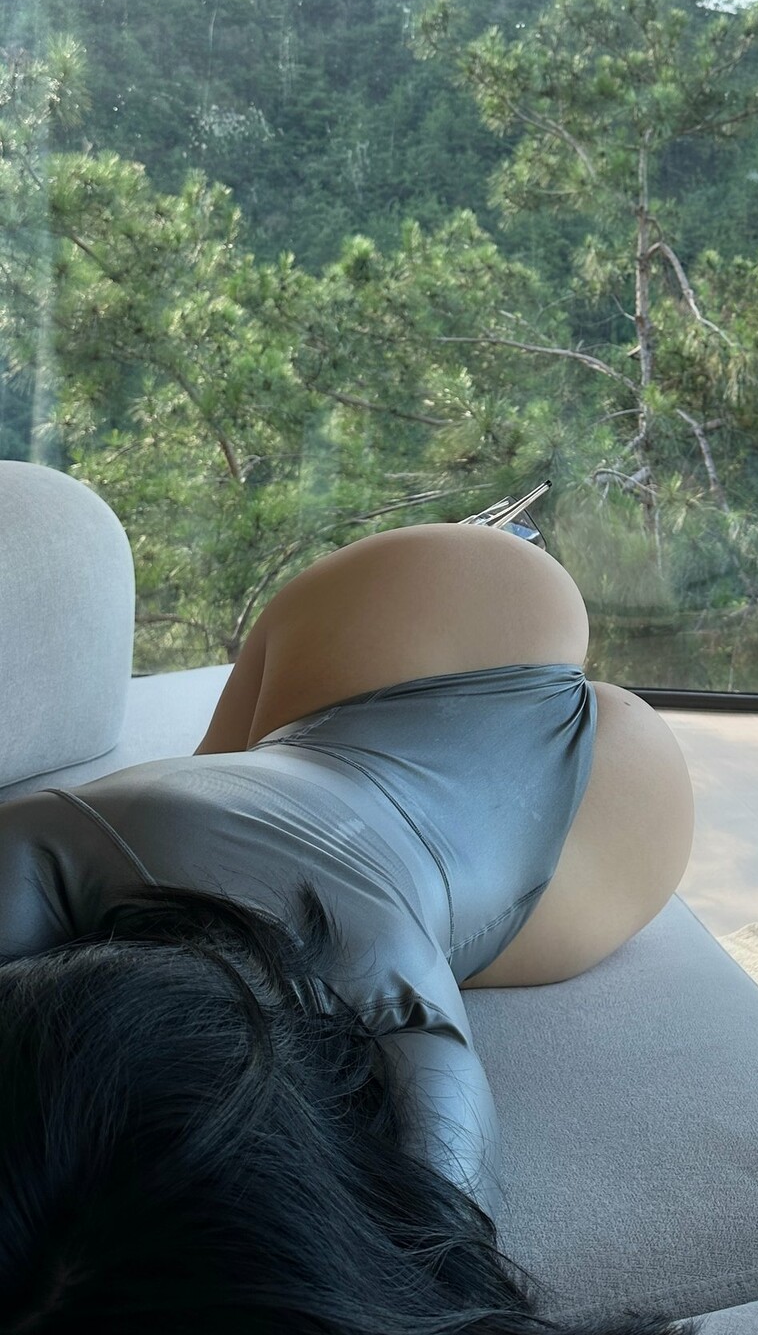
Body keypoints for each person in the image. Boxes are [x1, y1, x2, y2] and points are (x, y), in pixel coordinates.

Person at [0, 518, 699, 1334]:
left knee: (505, 593)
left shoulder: (399, 1035)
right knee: (510, 594)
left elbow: (452, 1249)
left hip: (519, 778)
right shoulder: (392, 1010)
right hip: (529, 799)